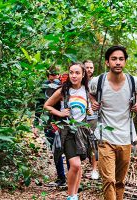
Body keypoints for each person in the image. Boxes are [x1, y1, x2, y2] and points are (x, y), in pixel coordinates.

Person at [89, 45, 137, 200]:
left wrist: (136, 106)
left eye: (121, 59)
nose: (118, 62)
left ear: (125, 62)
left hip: (126, 137)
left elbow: (135, 97)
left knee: (120, 181)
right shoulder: (98, 81)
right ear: (107, 62)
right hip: (105, 137)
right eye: (114, 59)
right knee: (109, 180)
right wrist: (93, 103)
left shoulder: (133, 82)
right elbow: (91, 94)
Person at [44, 63, 92, 200]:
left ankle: (75, 195)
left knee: (78, 166)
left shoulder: (87, 91)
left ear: (83, 75)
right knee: (75, 164)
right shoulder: (63, 91)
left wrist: (90, 109)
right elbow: (47, 105)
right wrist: (59, 113)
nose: (74, 75)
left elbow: (92, 107)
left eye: (77, 73)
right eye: (71, 72)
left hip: (83, 131)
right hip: (68, 130)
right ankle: (70, 196)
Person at [33, 68, 67, 187]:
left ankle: (71, 178)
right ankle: (61, 177)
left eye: (56, 75)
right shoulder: (44, 87)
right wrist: (35, 124)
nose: (54, 77)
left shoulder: (63, 86)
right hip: (49, 122)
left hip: (64, 121)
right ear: (48, 76)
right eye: (52, 75)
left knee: (68, 150)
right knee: (56, 150)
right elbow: (39, 105)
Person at [83, 60, 99, 180]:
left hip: (93, 117)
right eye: (87, 67)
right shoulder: (77, 81)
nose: (89, 69)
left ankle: (95, 169)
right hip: (79, 118)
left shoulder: (96, 82)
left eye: (91, 67)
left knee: (94, 143)